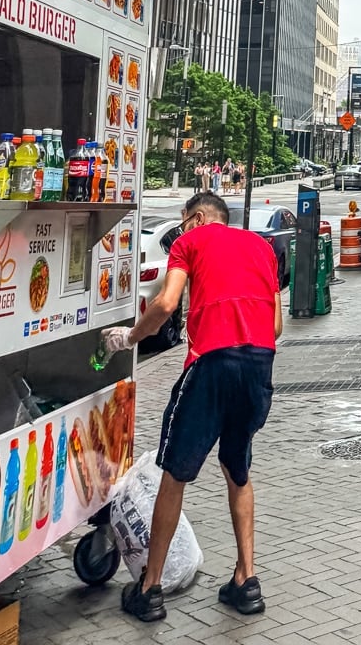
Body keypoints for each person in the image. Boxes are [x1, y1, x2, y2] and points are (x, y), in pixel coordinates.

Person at [100, 191, 282, 623]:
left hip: (211, 366)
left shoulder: (190, 242)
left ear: (197, 218)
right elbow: (275, 324)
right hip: (259, 366)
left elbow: (165, 303)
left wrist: (128, 339)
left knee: (175, 472)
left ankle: (150, 588)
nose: (180, 230)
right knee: (238, 469)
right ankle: (246, 580)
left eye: (183, 222)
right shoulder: (260, 246)